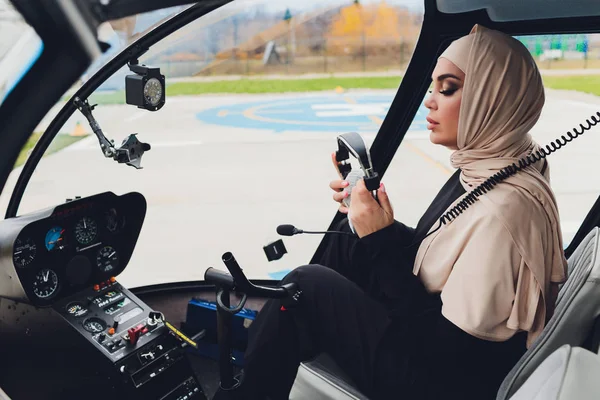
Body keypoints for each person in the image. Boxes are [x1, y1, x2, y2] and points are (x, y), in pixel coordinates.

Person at [214, 24, 568, 400]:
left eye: (448, 88)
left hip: (441, 382)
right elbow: (450, 254)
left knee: (305, 285)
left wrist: (381, 238)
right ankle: (282, 335)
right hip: (439, 347)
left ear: (494, 99)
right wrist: (371, 219)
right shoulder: (496, 161)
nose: (429, 100)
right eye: (432, 87)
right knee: (348, 237)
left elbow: (445, 348)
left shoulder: (506, 209)